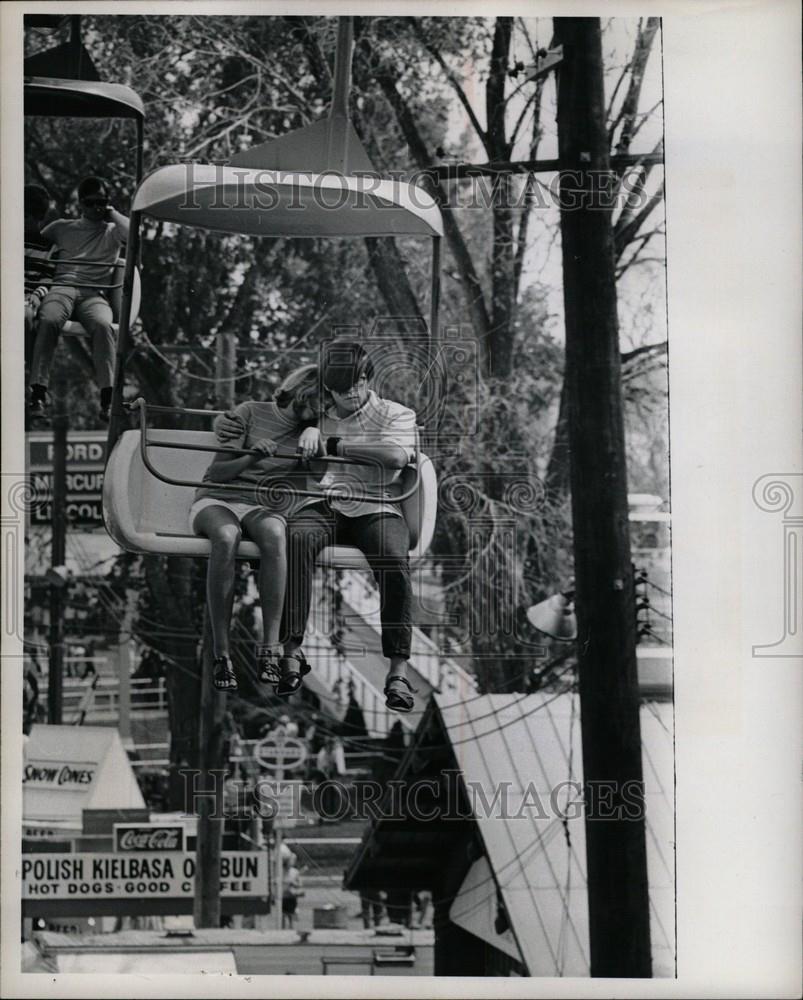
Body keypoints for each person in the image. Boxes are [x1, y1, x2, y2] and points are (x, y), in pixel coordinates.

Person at [215, 341, 419, 711]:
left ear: (368, 380)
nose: (350, 395)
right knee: (297, 539)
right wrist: (225, 421)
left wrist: (333, 444)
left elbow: (394, 456)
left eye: (358, 384)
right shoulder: (318, 414)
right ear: (328, 389)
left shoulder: (395, 414)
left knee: (392, 556)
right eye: (340, 390)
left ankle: (398, 669)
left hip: (377, 505)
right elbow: (270, 415)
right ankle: (291, 650)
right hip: (324, 502)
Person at [190, 364, 323, 692]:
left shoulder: (311, 430)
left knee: (277, 535)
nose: (322, 409)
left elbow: (321, 476)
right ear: (303, 391)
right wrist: (250, 457)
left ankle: (270, 648)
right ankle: (221, 651)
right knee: (226, 536)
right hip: (219, 499)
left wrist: (317, 432)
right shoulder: (250, 412)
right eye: (320, 400)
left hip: (261, 505)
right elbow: (216, 474)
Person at [28, 176, 130, 423]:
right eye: (91, 202)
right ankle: (38, 393)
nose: (97, 207)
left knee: (104, 326)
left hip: (93, 294)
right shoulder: (62, 228)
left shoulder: (113, 232)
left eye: (101, 202)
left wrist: (112, 211)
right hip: (62, 288)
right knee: (49, 319)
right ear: (81, 204)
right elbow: (35, 240)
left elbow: (133, 234)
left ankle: (108, 398)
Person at [281, 855, 304, 929]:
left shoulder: (295, 872)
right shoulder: (280, 871)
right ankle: (282, 929)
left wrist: (293, 883)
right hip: (282, 895)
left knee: (291, 914)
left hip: (291, 895)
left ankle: (291, 928)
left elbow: (300, 884)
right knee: (282, 915)